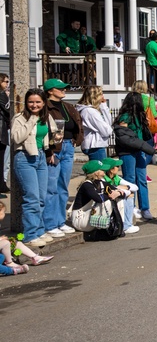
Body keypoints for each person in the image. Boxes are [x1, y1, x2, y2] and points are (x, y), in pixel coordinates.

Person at [11, 89, 62, 248]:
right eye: (31, 102)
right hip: (24, 157)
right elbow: (17, 138)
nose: (34, 105)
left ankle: (39, 230)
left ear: (44, 102)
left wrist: (52, 145)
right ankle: (29, 235)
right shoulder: (20, 118)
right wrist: (31, 120)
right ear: (26, 103)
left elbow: (52, 133)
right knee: (31, 198)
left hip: (40, 157)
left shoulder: (46, 117)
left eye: (38, 102)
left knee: (41, 197)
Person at [43, 78, 83, 238]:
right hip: (54, 148)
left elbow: (77, 124)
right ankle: (50, 223)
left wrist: (76, 139)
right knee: (51, 187)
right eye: (60, 88)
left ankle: (60, 221)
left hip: (68, 146)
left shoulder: (67, 106)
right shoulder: (46, 107)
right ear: (50, 90)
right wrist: (48, 150)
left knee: (62, 187)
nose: (64, 90)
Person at [115, 92, 156, 220]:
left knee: (142, 180)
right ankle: (130, 206)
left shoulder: (140, 116)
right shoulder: (125, 117)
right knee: (130, 179)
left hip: (139, 150)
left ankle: (145, 208)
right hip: (127, 152)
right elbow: (124, 137)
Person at [71, 160, 124, 241]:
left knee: (119, 200)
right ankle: (102, 230)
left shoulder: (101, 182)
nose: (104, 171)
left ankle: (119, 227)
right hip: (80, 219)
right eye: (102, 170)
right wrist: (110, 195)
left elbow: (118, 191)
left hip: (90, 216)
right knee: (106, 202)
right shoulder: (86, 185)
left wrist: (118, 192)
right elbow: (98, 199)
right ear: (96, 173)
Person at [101, 157, 140, 235]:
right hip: (104, 203)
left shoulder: (116, 177)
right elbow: (111, 191)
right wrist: (121, 190)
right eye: (117, 166)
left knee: (130, 193)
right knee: (127, 195)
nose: (118, 168)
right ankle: (126, 226)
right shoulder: (103, 179)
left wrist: (125, 188)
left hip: (113, 199)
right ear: (111, 169)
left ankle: (127, 225)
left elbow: (135, 187)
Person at [76, 86, 114, 162]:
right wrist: (109, 129)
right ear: (95, 96)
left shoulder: (93, 110)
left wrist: (104, 106)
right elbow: (106, 131)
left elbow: (109, 123)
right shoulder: (90, 112)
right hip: (94, 145)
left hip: (97, 145)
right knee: (99, 171)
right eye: (101, 94)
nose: (103, 97)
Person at [0, 74, 10, 195]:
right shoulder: (2, 95)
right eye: (5, 82)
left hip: (3, 129)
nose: (7, 84)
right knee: (2, 160)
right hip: (2, 130)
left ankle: (2, 185)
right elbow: (9, 110)